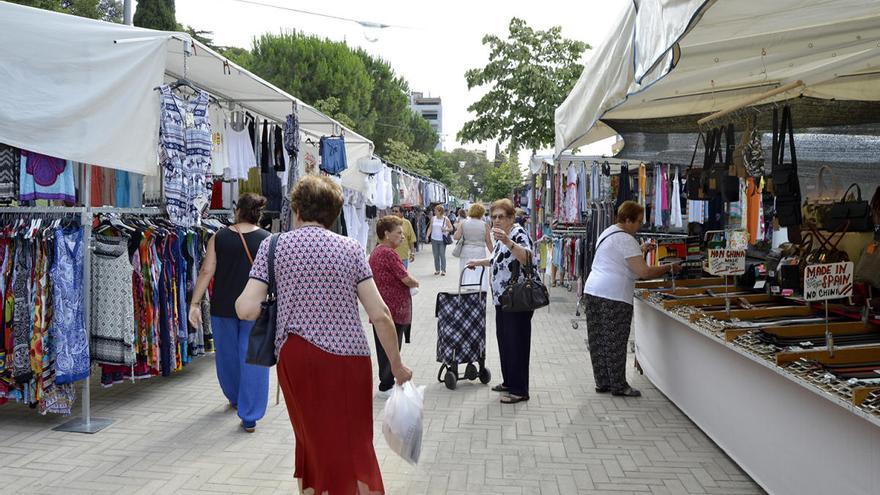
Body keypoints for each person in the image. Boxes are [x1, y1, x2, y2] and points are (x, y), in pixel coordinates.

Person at [235, 176, 413, 494]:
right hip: (351, 360)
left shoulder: (273, 246)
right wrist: (397, 367)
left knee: (310, 440)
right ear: (334, 213)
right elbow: (381, 315)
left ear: (297, 209)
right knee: (355, 443)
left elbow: (246, 309)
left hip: (298, 357)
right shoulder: (351, 248)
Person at [188, 193, 270, 433]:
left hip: (223, 306)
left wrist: (194, 303)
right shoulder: (268, 240)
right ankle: (250, 415)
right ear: (258, 213)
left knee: (227, 357)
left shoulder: (219, 237)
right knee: (253, 358)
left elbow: (206, 271)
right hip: (254, 308)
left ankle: (235, 397)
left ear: (238, 211)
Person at [584, 201, 682, 397]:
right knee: (615, 341)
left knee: (598, 340)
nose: (640, 226)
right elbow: (643, 272)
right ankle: (619, 386)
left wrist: (641, 250)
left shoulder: (608, 232)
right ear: (627, 220)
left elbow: (617, 258)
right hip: (614, 295)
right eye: (638, 222)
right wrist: (669, 267)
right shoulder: (627, 240)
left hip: (593, 289)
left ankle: (602, 382)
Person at [466, 198, 534, 404]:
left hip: (517, 299)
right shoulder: (500, 237)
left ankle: (520, 389)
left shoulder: (517, 234)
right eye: (493, 216)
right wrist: (479, 262)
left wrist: (507, 242)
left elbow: (528, 258)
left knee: (517, 343)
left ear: (511, 217)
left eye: (501, 217)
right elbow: (499, 260)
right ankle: (509, 381)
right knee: (505, 342)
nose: (496, 220)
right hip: (502, 299)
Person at [369, 215, 420, 397]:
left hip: (383, 307)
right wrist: (416, 283)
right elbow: (406, 278)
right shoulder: (388, 253)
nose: (402, 236)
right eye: (398, 232)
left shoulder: (377, 251)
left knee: (385, 346)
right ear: (387, 234)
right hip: (392, 309)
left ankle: (387, 382)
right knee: (391, 347)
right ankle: (387, 384)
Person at [454, 203, 492, 289]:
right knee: (478, 273)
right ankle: (478, 293)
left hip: (466, 252)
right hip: (479, 252)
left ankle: (468, 291)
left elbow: (456, 237)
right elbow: (488, 241)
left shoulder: (463, 223)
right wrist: (493, 253)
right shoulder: (484, 225)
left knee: (467, 273)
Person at [426, 204, 453, 276]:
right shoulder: (433, 218)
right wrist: (427, 236)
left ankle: (443, 270)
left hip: (442, 239)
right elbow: (430, 228)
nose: (434, 211)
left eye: (436, 210)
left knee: (442, 254)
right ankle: (437, 269)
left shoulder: (445, 219)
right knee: (436, 255)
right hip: (434, 239)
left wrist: (445, 229)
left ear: (440, 211)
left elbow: (451, 228)